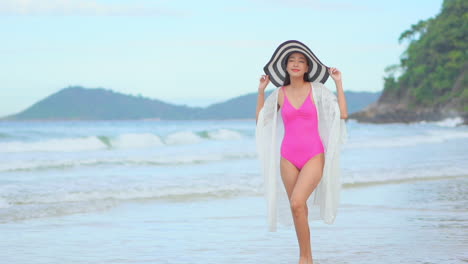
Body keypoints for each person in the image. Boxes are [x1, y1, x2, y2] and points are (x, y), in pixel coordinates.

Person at [255, 40, 348, 264]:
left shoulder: (317, 91)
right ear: (286, 67)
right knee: (298, 209)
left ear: (307, 68)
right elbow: (261, 120)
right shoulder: (279, 93)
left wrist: (338, 83)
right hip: (287, 157)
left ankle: (305, 259)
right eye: (292, 61)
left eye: (301, 61)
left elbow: (342, 114)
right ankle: (306, 256)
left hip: (314, 155)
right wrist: (261, 91)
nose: (296, 64)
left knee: (297, 202)